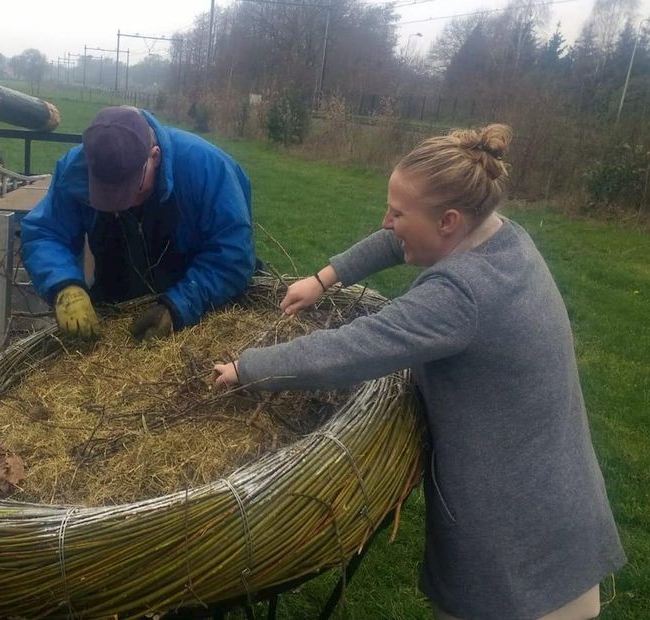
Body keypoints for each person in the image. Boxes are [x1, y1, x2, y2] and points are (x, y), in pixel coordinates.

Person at [213, 125, 625, 619]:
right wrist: (325, 278)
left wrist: (248, 367)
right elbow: (397, 242)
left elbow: (353, 349)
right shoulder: (499, 236)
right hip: (561, 504)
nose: (386, 221)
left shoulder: (462, 295)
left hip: (513, 550)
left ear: (449, 220)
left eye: (397, 212)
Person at [20, 106, 255, 341]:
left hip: (202, 310)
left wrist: (178, 306)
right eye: (107, 195)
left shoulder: (207, 168)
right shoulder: (77, 168)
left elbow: (233, 253)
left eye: (133, 189)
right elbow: (45, 232)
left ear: (155, 156)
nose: (125, 205)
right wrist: (63, 284)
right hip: (117, 307)